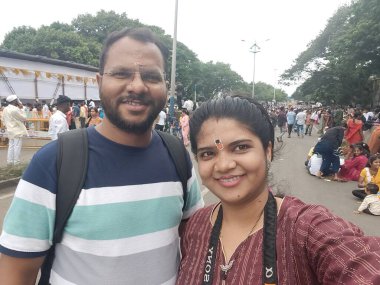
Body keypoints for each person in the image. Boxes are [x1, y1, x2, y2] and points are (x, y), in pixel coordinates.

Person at [0, 27, 203, 284]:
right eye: (121, 74)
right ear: (99, 83)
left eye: (152, 77)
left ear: (165, 86)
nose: (137, 86)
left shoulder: (178, 157)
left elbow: (195, 247)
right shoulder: (54, 163)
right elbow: (15, 275)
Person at [176, 93, 380, 285]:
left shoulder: (306, 228)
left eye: (240, 147)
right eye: (208, 153)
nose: (224, 165)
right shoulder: (194, 227)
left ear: (268, 150)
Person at [1, 94, 28, 165]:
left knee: (11, 146)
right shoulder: (15, 109)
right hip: (17, 131)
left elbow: (3, 119)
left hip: (10, 130)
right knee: (17, 147)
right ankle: (16, 163)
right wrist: (22, 108)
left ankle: (9, 162)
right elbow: (24, 118)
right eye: (17, 100)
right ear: (14, 101)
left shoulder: (5, 109)